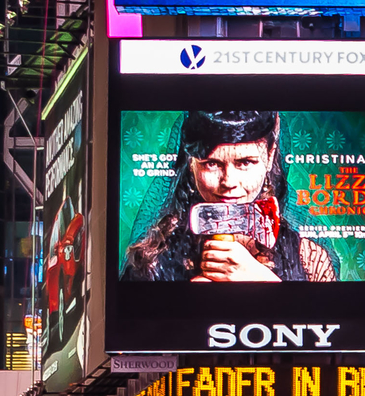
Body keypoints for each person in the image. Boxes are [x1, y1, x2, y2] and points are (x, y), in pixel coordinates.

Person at [122, 111, 338, 283]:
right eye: (212, 164)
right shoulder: (150, 261)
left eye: (245, 162)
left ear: (270, 156)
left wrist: (262, 281)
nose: (229, 182)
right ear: (191, 163)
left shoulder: (309, 259)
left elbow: (327, 332)